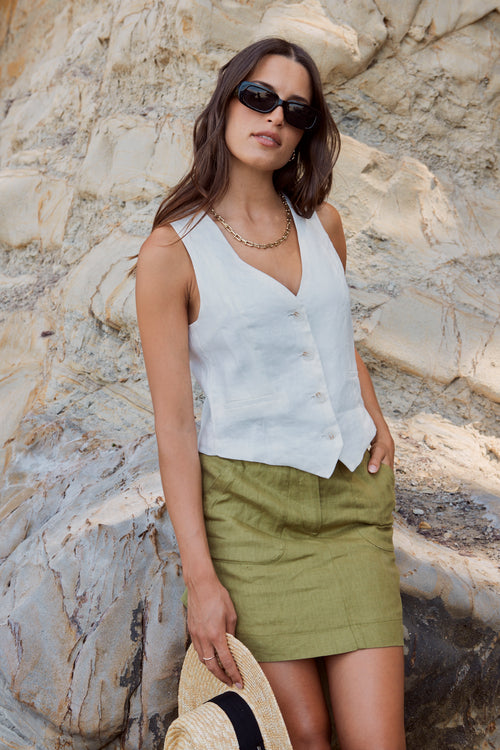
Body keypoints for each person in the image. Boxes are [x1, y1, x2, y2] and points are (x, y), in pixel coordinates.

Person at [135, 37, 406, 750]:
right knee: (303, 737)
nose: (274, 118)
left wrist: (372, 416)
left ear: (304, 134)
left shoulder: (324, 225)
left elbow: (331, 333)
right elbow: (173, 425)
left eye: (295, 110)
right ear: (226, 102)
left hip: (350, 508)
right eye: (258, 97)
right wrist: (202, 580)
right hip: (251, 522)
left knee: (379, 741)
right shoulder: (171, 253)